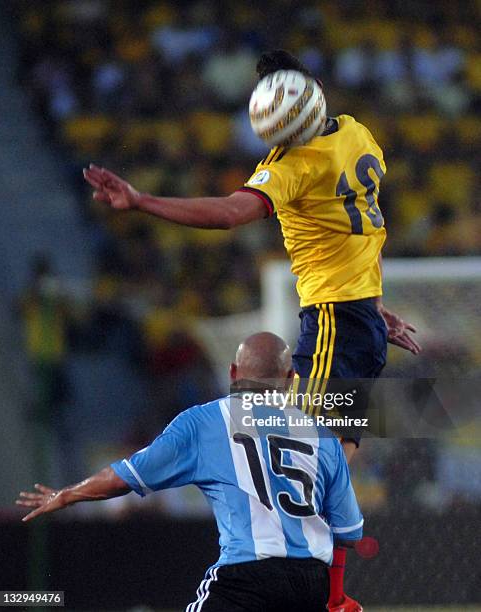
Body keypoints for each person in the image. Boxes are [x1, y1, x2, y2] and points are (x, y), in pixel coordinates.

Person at [83, 49, 421, 610]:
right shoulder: (357, 134)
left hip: (337, 322)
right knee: (318, 458)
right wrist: (370, 309)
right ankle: (331, 595)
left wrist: (141, 200)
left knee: (305, 458)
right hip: (352, 319)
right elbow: (354, 237)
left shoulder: (292, 166)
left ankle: (327, 598)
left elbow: (227, 214)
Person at [17, 332, 364, 612]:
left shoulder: (206, 422)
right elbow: (349, 530)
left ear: (232, 372)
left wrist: (67, 494)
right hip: (311, 584)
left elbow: (127, 476)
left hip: (248, 576)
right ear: (290, 379)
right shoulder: (320, 434)